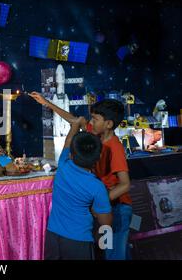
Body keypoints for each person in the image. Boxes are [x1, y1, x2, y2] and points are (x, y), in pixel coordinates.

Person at [30, 92, 132, 260]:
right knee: (102, 250)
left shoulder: (115, 148)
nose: (90, 123)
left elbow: (125, 184)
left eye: (94, 119)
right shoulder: (95, 135)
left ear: (108, 124)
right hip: (100, 203)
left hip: (117, 207)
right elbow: (74, 121)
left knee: (113, 252)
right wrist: (47, 103)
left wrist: (101, 200)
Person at [45, 117, 112, 260]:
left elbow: (68, 142)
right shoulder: (97, 187)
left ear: (70, 154)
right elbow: (106, 222)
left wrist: (75, 125)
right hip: (78, 242)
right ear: (99, 157)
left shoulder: (63, 165)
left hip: (52, 237)